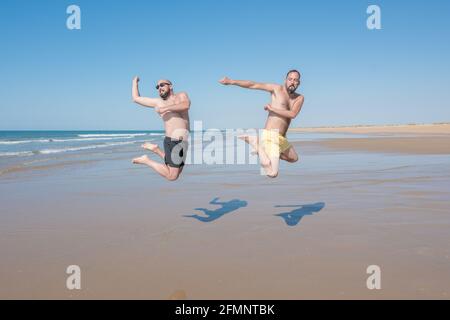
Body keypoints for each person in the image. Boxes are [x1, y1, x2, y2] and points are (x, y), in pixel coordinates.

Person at [219, 70, 304, 178]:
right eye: (290, 79)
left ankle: (262, 149)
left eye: (295, 80)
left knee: (294, 158)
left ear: (298, 83)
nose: (292, 82)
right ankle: (255, 143)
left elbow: (292, 114)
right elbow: (253, 84)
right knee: (272, 173)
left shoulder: (299, 98)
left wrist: (272, 109)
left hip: (281, 138)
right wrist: (232, 81)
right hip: (271, 135)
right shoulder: (276, 89)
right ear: (285, 80)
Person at [131, 76, 190, 181]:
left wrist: (165, 109)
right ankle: (146, 160)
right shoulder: (158, 102)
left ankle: (156, 150)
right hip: (173, 141)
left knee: (177, 171)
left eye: (162, 85)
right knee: (172, 176)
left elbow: (186, 105)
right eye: (157, 86)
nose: (159, 88)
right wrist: (134, 82)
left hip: (183, 142)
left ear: (170, 86)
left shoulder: (181, 95)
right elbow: (136, 98)